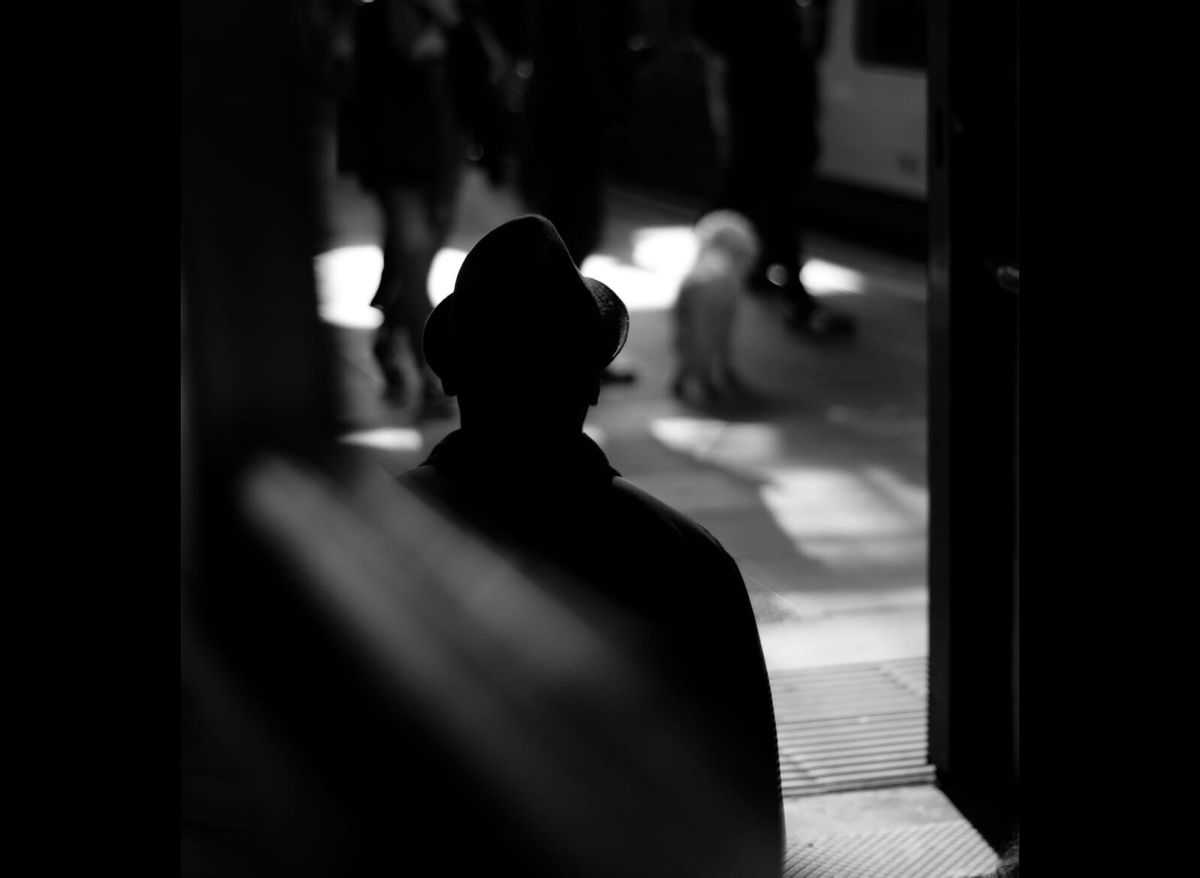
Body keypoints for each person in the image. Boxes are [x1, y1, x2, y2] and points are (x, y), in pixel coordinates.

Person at [397, 214, 782, 873]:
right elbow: (750, 820)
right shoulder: (690, 561)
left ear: (452, 376)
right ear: (591, 382)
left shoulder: (370, 533)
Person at [336, 0, 472, 418]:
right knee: (413, 260)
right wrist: (413, 54)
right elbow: (360, 86)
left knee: (415, 255)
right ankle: (430, 375)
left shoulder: (453, 13)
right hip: (397, 159)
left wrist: (454, 25)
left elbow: (481, 72)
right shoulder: (375, 17)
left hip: (444, 153)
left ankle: (388, 332)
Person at [691, 0, 856, 339]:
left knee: (757, 193)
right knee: (774, 197)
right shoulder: (764, 41)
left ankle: (764, 276)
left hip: (767, 105)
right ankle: (794, 297)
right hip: (767, 107)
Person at [512, 0, 642, 384]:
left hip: (562, 119)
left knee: (567, 238)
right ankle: (565, 353)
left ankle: (559, 348)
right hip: (575, 121)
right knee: (571, 238)